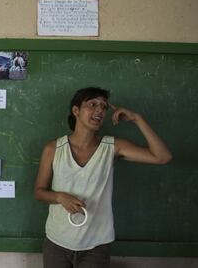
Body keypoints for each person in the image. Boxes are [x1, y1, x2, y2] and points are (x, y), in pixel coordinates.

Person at [34, 87, 172, 268]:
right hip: (57, 242)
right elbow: (39, 192)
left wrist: (137, 119)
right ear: (76, 111)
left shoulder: (112, 147)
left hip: (96, 245)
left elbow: (162, 157)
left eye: (104, 107)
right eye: (92, 105)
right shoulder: (53, 149)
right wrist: (60, 197)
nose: (100, 110)